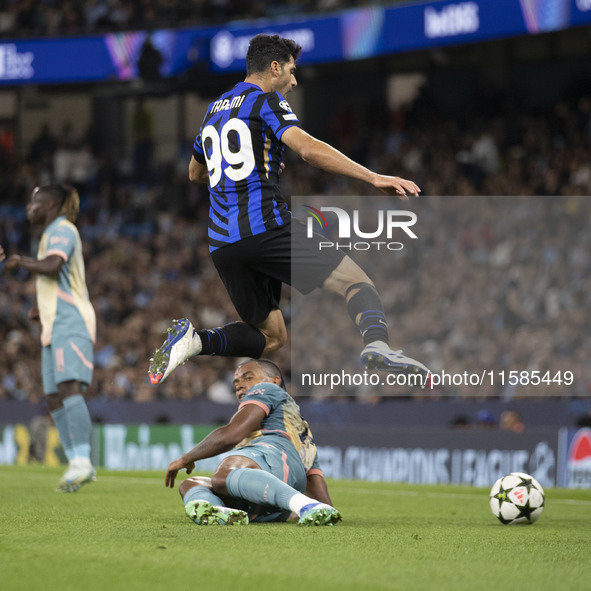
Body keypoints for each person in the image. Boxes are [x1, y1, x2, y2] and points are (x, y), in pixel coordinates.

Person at [148, 33, 430, 385]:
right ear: (275, 67)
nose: (294, 81)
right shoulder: (266, 100)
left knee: (273, 339)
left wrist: (243, 173)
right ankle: (378, 345)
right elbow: (308, 150)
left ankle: (195, 342)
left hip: (223, 244)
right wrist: (372, 177)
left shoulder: (213, 110)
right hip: (266, 227)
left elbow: (194, 172)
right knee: (357, 282)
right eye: (292, 71)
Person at [165, 358, 341, 526]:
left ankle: (303, 504)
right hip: (271, 504)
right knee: (192, 483)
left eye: (248, 378)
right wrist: (321, 506)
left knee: (225, 474)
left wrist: (185, 459)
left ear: (275, 381)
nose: (240, 385)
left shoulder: (267, 389)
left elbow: (231, 435)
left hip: (275, 460)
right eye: (235, 383)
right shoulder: (302, 433)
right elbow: (316, 486)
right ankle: (216, 511)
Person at [2, 183, 97, 492]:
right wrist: (40, 309)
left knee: (69, 389)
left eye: (35, 202)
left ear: (52, 205)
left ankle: (83, 462)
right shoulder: (49, 233)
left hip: (70, 322)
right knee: (54, 398)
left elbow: (53, 265)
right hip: (53, 323)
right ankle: (74, 463)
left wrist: (19, 261)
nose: (29, 207)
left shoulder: (62, 229)